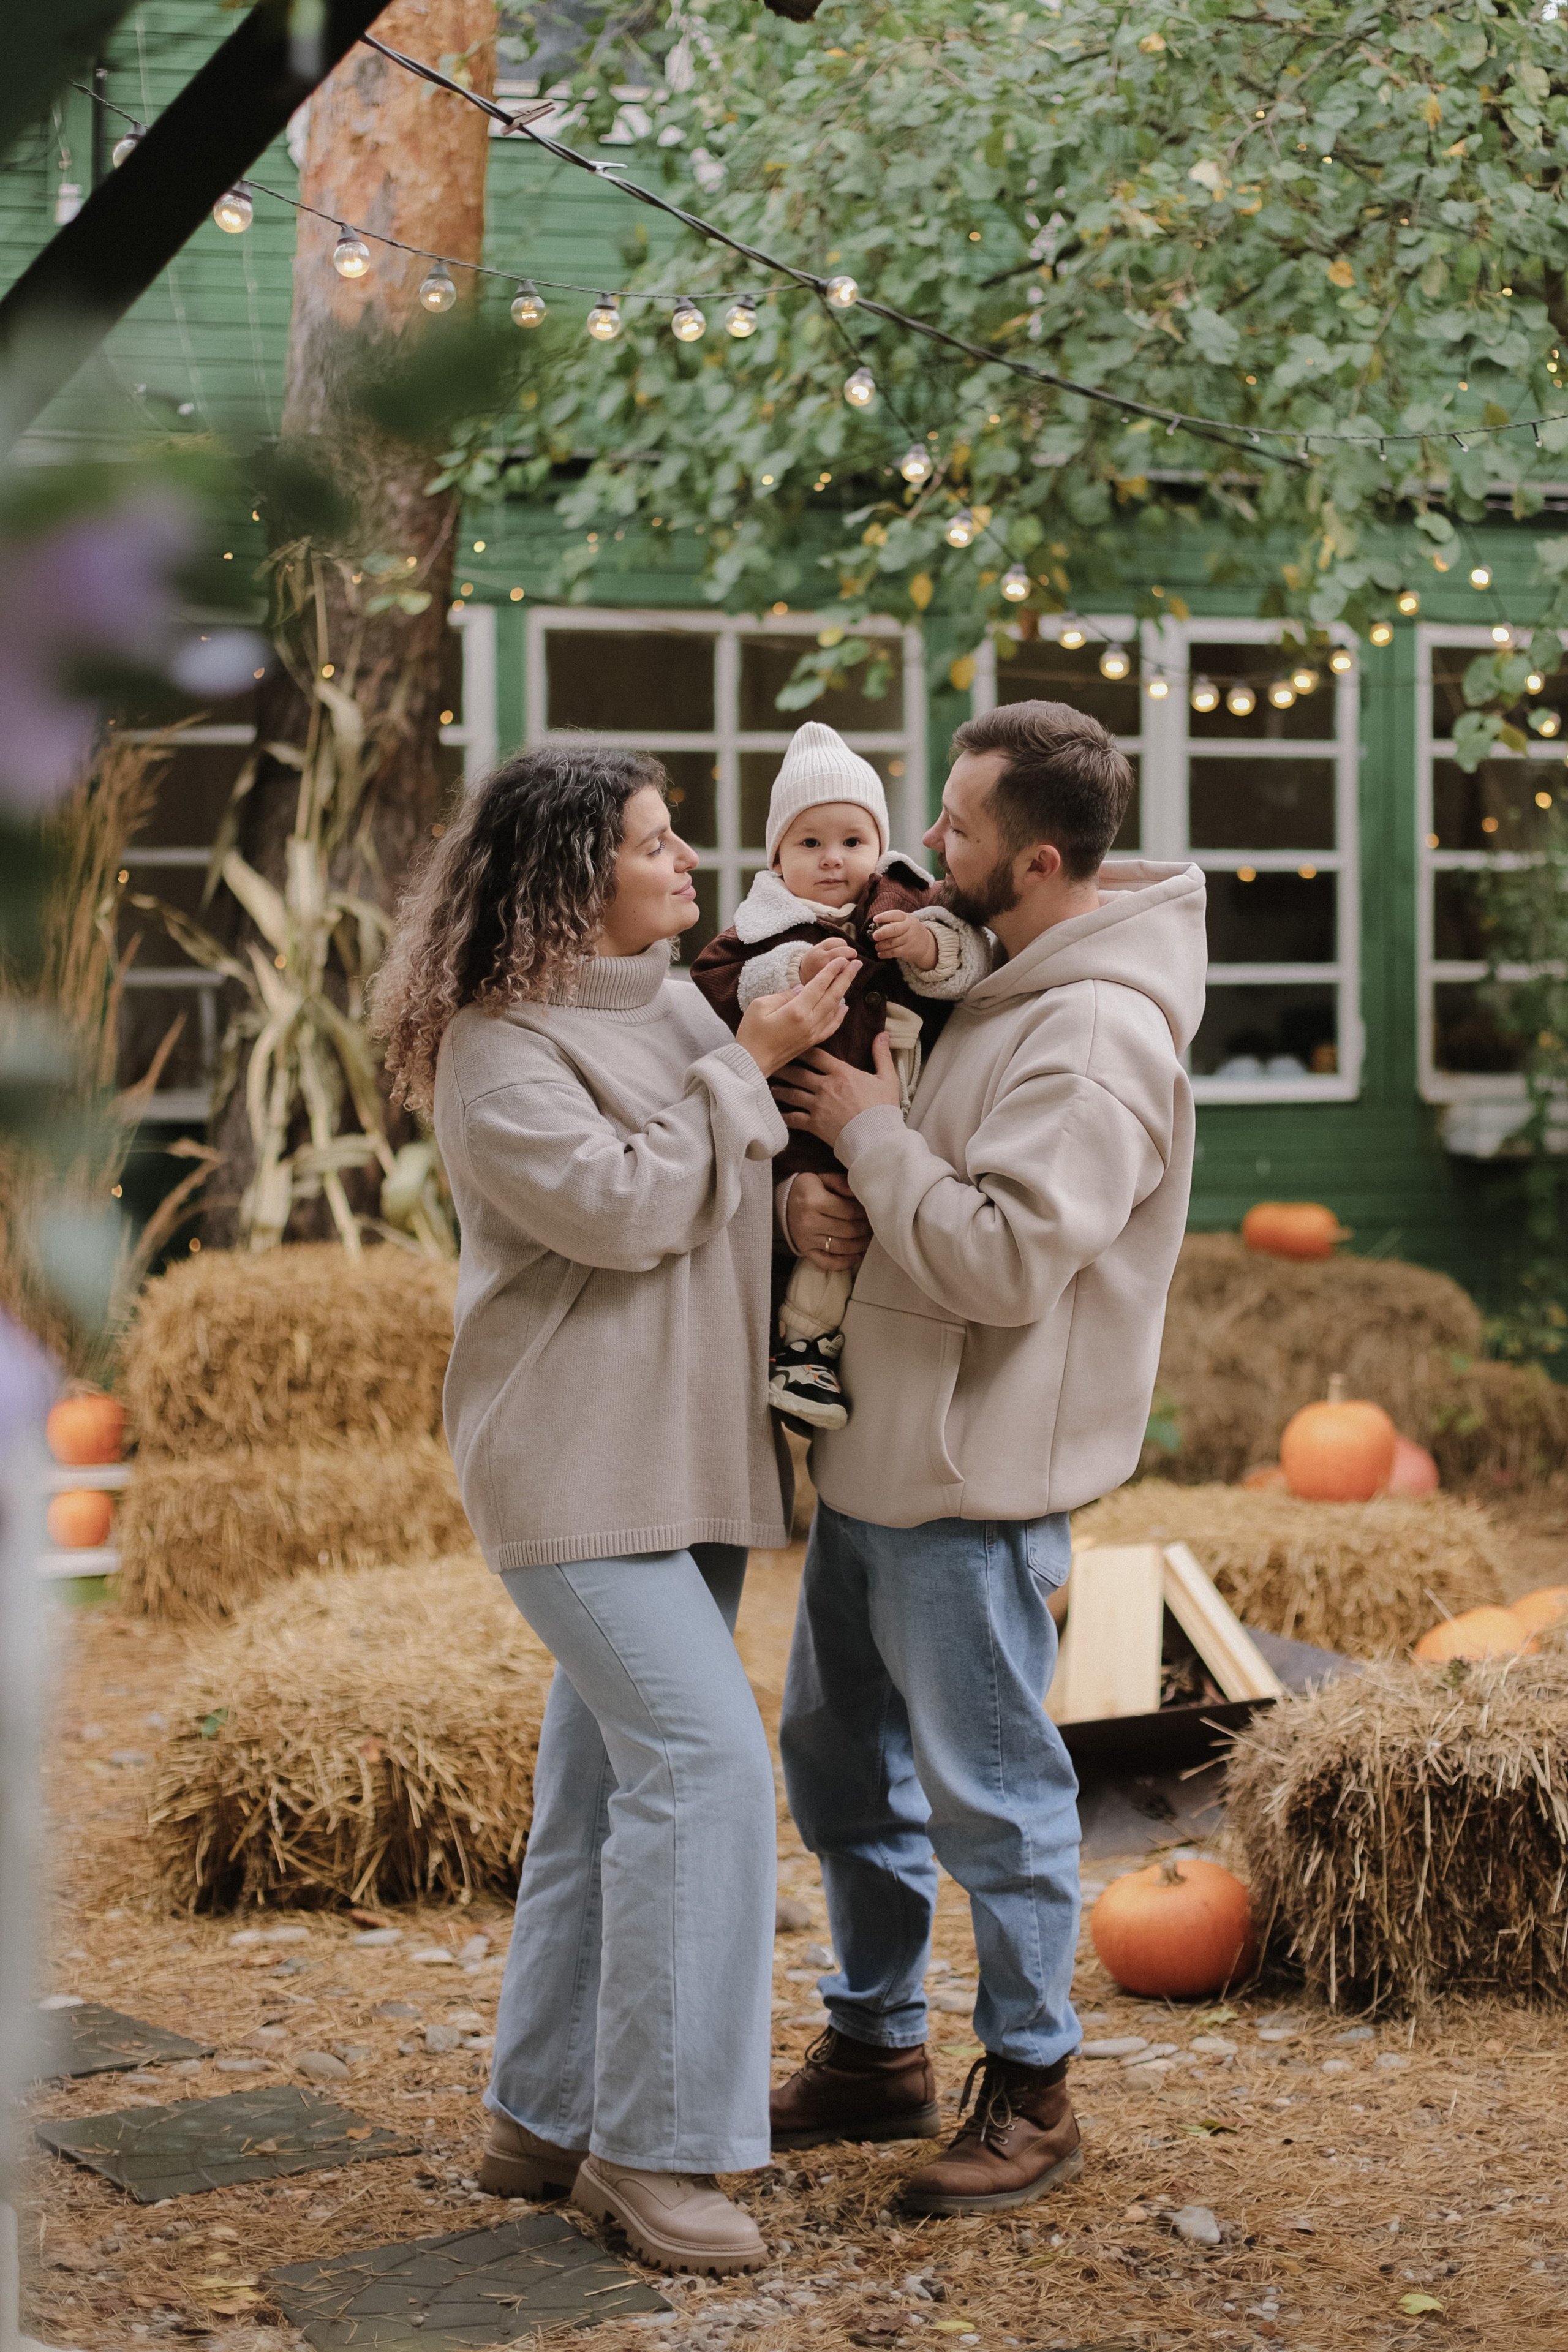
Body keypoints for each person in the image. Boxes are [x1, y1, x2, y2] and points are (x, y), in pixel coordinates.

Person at [372, 744, 855, 2276]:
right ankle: (653, 2153)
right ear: (577, 878)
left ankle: (539, 2113)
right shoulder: (491, 1047)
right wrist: (749, 1055)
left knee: (596, 1792)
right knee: (707, 1769)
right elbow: (625, 1203)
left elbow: (714, 1186)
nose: (685, 859)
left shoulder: (667, 1005)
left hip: (685, 1456)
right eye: (653, 843)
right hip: (573, 1462)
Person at [767, 699, 1206, 2216]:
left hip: (967, 1487)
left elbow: (1008, 1261)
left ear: (1030, 854)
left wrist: (876, 1139)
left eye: (949, 827)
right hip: (871, 1463)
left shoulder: (1091, 1033)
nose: (916, 847)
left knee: (991, 1793)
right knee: (837, 1769)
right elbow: (898, 1184)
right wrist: (818, 1204)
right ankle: (875, 2043)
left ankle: (1031, 2087)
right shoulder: (991, 976)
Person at [692, 722, 989, 1429]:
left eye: (852, 842)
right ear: (777, 857)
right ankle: (801, 1353)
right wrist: (791, 970)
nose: (833, 861)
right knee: (828, 1228)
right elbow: (719, 986)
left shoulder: (908, 900)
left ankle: (864, 1362)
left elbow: (973, 957)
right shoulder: (762, 928)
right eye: (810, 843)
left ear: (878, 845)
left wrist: (925, 946)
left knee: (898, 1231)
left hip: (905, 1105)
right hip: (803, 1119)